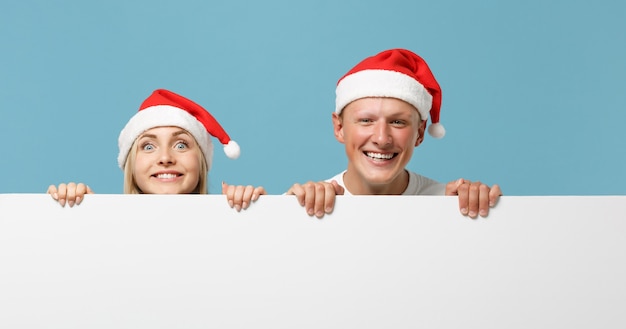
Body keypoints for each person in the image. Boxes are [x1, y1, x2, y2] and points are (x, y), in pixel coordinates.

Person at [287, 48, 502, 218]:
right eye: (366, 121)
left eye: (398, 122)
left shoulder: (450, 203)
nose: (381, 138)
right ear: (339, 128)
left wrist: (487, 210)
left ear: (420, 133)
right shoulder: (307, 203)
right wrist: (263, 211)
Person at [48, 89, 265, 211]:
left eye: (181, 145)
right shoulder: (102, 227)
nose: (165, 158)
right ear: (131, 164)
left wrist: (279, 209)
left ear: (201, 161)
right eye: (148, 146)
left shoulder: (233, 222)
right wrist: (78, 214)